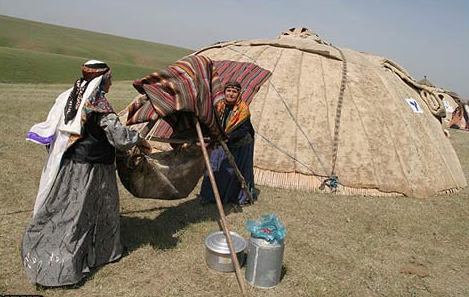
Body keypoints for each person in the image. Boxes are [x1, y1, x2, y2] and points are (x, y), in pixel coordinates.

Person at [22, 60, 151, 287]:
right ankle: (65, 264)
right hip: (93, 169)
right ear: (102, 80)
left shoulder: (72, 95)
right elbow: (119, 138)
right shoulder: (98, 102)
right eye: (109, 79)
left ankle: (103, 252)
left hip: (71, 164)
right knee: (82, 213)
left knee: (70, 209)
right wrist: (137, 138)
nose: (110, 83)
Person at [199, 81, 256, 205]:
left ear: (239, 94)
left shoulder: (243, 109)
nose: (231, 94)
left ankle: (234, 197)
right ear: (224, 92)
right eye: (228, 91)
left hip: (240, 143)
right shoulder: (219, 105)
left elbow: (244, 129)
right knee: (214, 166)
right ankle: (209, 196)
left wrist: (228, 137)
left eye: (234, 91)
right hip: (222, 140)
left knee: (233, 171)